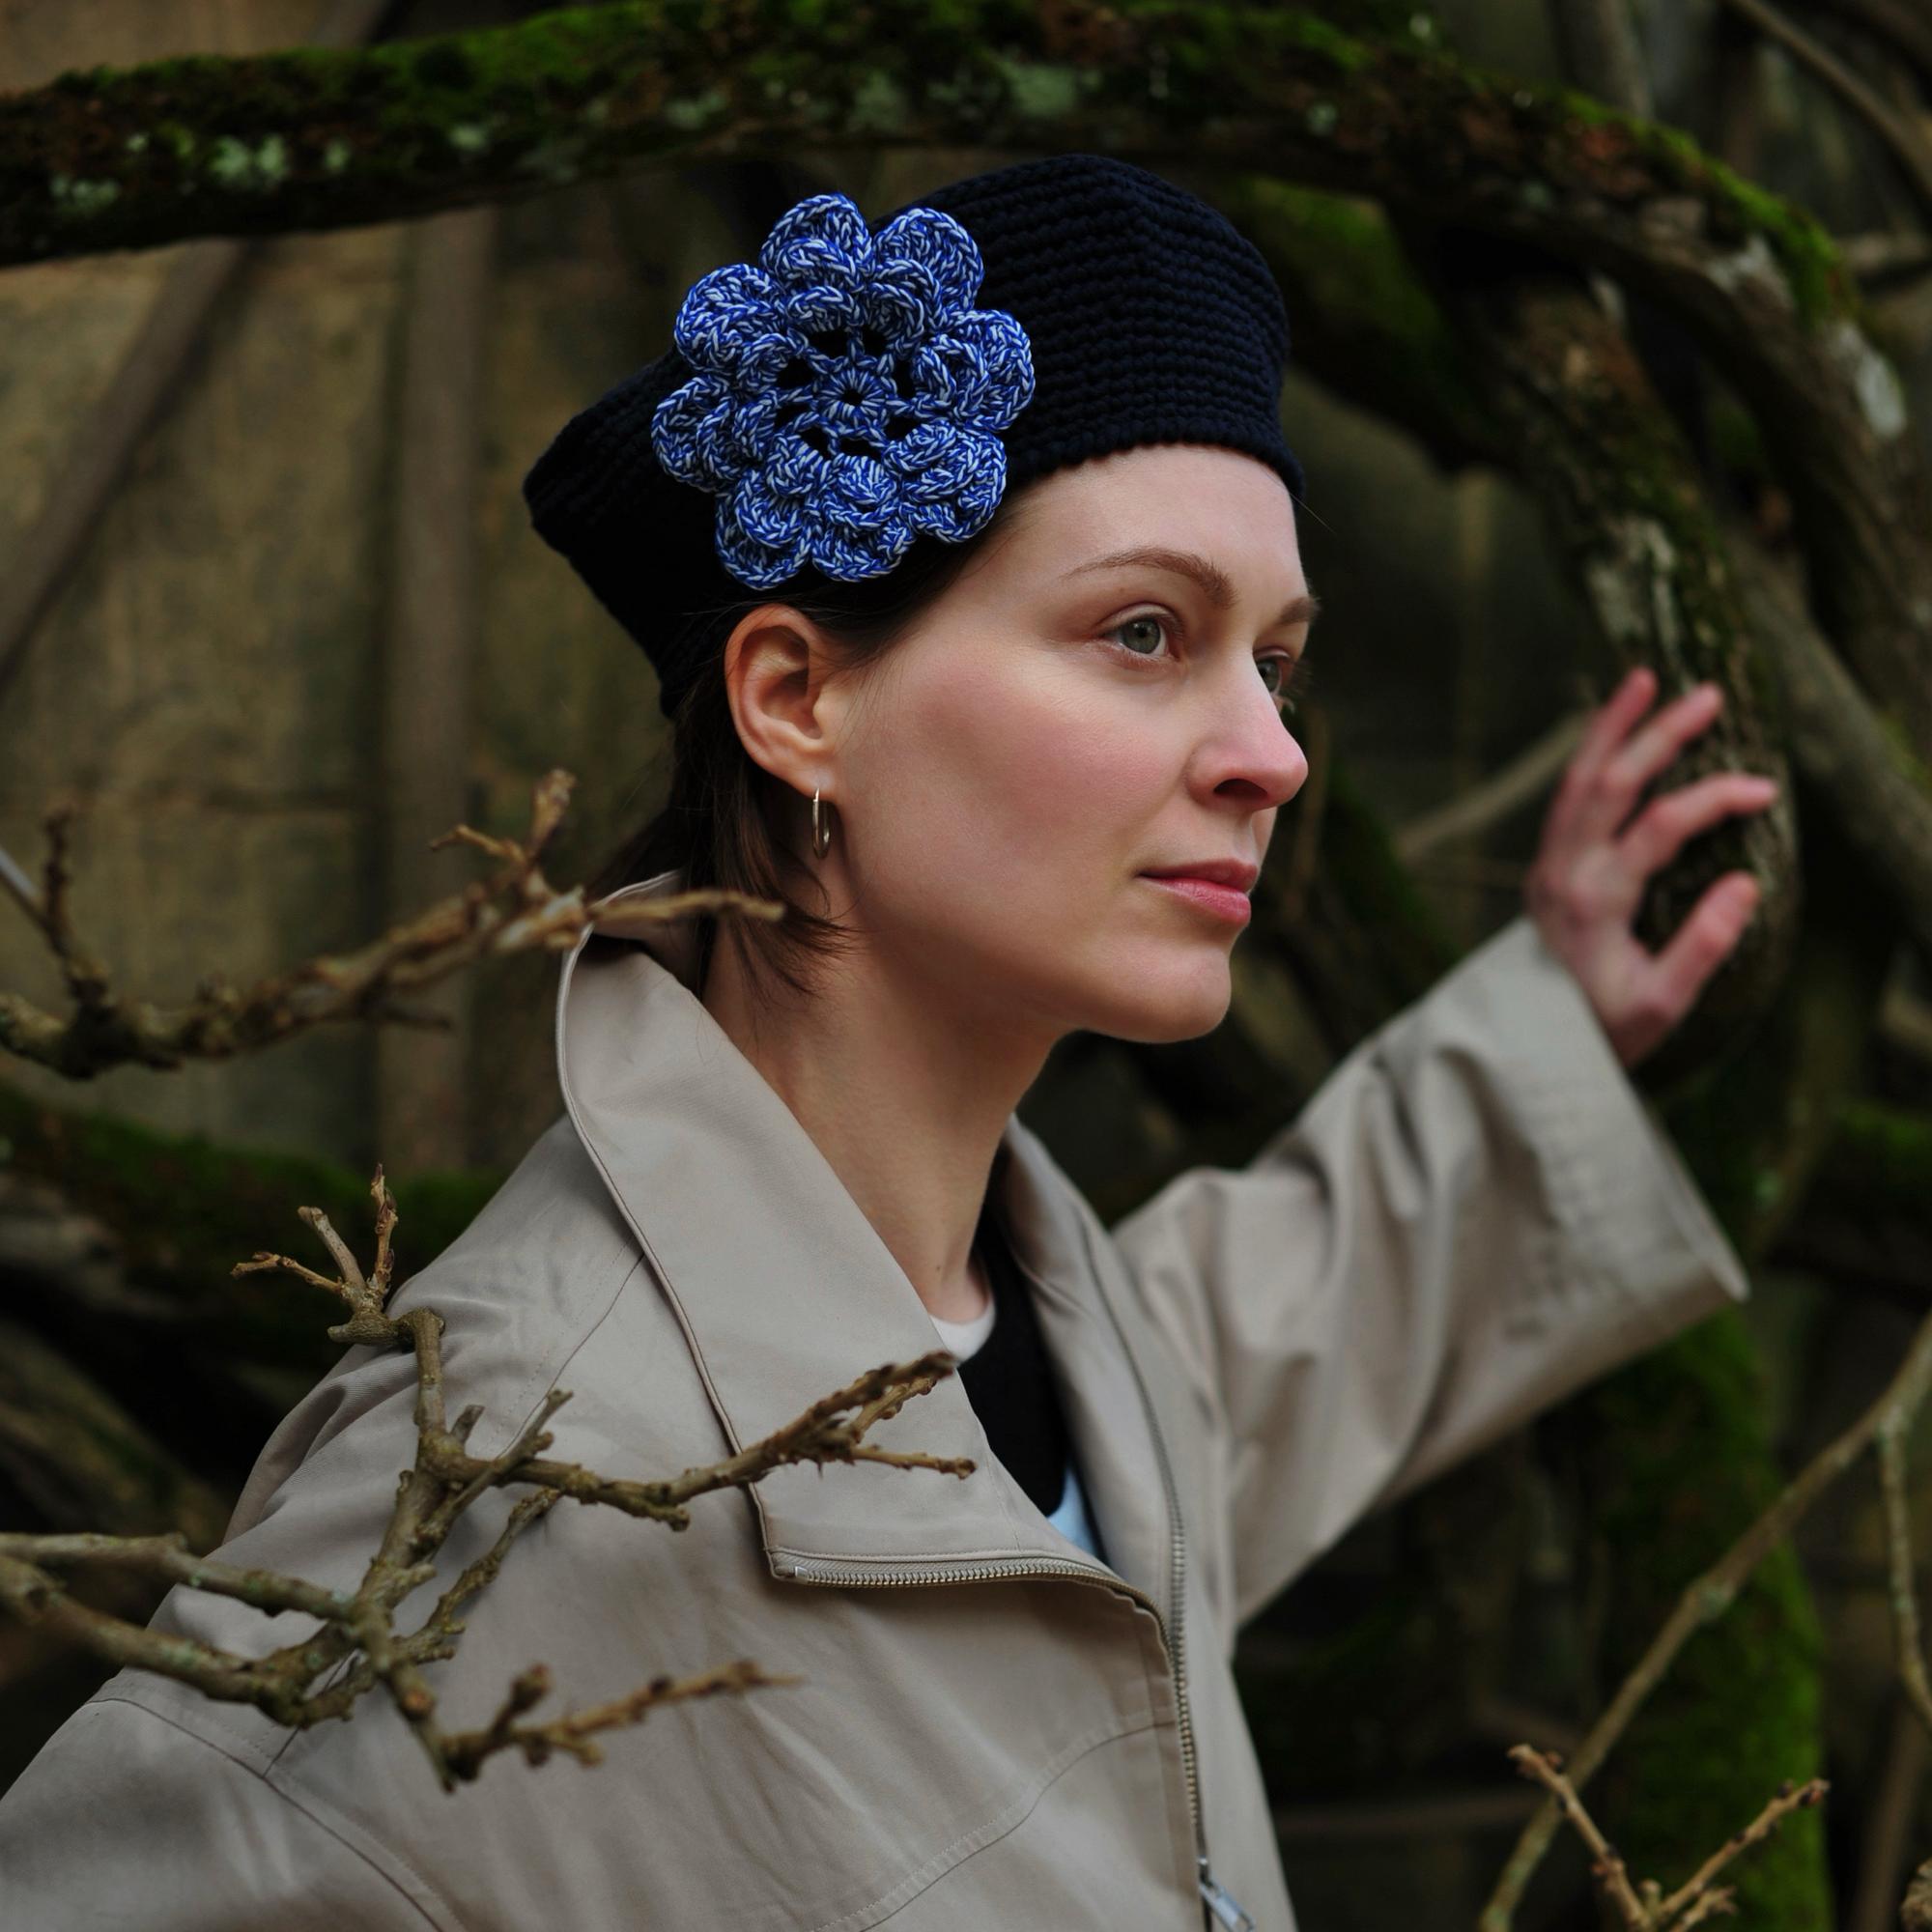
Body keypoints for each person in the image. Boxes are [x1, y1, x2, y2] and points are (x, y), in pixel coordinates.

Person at [0, 154, 1776, 1930]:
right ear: (798, 699)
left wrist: (1558, 1009)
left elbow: (1258, 1353)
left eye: (1277, 662)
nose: (1273, 754)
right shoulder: (526, 1481)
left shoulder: (1059, 1335)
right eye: (1145, 633)